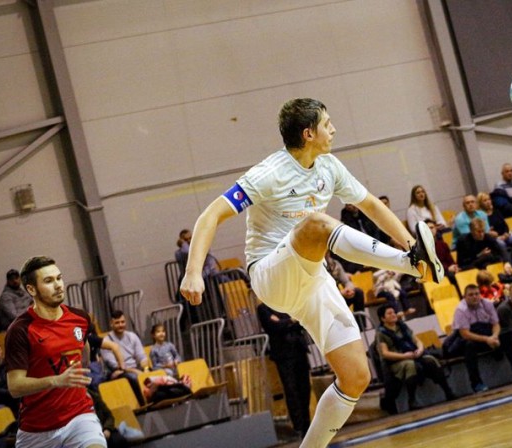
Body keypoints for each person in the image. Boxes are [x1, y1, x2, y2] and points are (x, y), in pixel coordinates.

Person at [179, 98, 442, 448]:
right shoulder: (269, 173)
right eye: (327, 123)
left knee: (356, 377)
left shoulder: (329, 167)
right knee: (316, 224)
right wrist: (193, 271)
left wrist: (412, 241)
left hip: (312, 278)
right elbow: (210, 215)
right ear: (308, 133)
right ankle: (408, 263)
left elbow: (371, 206)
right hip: (270, 273)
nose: (333, 129)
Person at [5, 256, 107, 448]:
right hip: (36, 429)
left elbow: (83, 354)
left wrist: (75, 383)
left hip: (79, 416)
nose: (58, 285)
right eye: (49, 281)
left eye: (59, 278)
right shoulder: (20, 330)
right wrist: (57, 380)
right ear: (31, 289)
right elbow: (15, 386)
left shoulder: (80, 318)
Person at [375, 304, 454, 413]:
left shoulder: (402, 326)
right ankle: (412, 400)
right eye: (389, 313)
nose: (393, 315)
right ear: (383, 318)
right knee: (410, 365)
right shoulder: (380, 333)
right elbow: (385, 354)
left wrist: (420, 349)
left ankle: (448, 391)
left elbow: (417, 341)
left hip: (411, 355)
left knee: (430, 360)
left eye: (394, 312)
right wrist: (404, 356)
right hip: (395, 362)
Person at [256, 303, 311, 440]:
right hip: (283, 353)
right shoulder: (264, 308)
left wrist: (284, 322)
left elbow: (303, 321)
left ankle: (307, 424)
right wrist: (291, 320)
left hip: (299, 348)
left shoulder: (288, 302)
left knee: (305, 388)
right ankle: (299, 427)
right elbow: (273, 327)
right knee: (291, 390)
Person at [444, 285, 501, 394]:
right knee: (469, 345)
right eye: (470, 295)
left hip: (483, 337)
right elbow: (465, 334)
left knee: (507, 334)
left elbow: (496, 324)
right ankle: (476, 383)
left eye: (476, 294)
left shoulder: (487, 304)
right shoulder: (461, 309)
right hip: (462, 341)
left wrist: (495, 336)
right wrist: (487, 340)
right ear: (464, 297)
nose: (474, 297)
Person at [100, 310, 149, 405]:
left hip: (135, 368)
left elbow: (141, 356)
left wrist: (146, 368)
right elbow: (114, 365)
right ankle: (143, 404)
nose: (120, 325)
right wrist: (134, 371)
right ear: (111, 324)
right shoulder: (106, 341)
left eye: (122, 322)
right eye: (117, 323)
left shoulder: (132, 336)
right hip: (117, 373)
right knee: (133, 377)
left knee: (153, 372)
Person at [477, 192, 512, 266]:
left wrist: (506, 233)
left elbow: (505, 225)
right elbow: (486, 232)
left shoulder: (496, 211)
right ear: (480, 203)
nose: (488, 202)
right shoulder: (481, 216)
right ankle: (507, 263)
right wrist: (497, 237)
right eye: (485, 200)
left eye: (489, 199)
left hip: (503, 235)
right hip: (493, 239)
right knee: (501, 243)